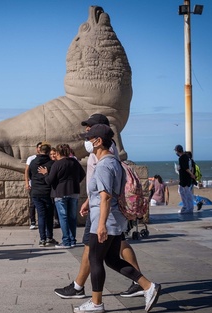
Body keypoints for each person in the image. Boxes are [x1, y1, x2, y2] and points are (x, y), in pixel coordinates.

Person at [54, 114, 144, 299]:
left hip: (103, 210)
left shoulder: (104, 153)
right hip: (100, 206)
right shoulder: (105, 150)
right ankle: (140, 282)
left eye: (90, 129)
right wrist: (88, 200)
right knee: (113, 249)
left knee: (93, 251)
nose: (87, 133)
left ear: (99, 135)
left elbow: (105, 188)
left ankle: (83, 290)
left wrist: (100, 220)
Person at [74, 124, 161, 313]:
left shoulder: (104, 164)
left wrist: (101, 225)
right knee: (112, 260)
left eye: (89, 139)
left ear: (98, 141)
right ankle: (148, 286)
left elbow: (106, 196)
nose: (86, 142)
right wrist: (89, 203)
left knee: (95, 259)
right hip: (114, 218)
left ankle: (96, 303)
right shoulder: (114, 161)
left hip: (105, 219)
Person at [40, 144, 85, 248]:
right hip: (74, 192)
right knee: (72, 217)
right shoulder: (75, 162)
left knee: (63, 218)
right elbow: (82, 174)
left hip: (60, 193)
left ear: (58, 153)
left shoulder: (57, 164)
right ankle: (72, 240)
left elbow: (49, 181)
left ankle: (66, 241)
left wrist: (45, 174)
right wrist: (74, 181)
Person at [28, 143, 57, 247]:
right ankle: (49, 237)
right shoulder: (52, 163)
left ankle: (42, 239)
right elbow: (53, 178)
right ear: (49, 151)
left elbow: (30, 175)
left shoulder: (33, 162)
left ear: (39, 151)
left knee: (41, 215)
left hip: (35, 192)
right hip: (47, 192)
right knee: (49, 215)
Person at [24, 142, 42, 230]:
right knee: (32, 204)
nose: (40, 148)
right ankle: (33, 222)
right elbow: (26, 171)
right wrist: (27, 183)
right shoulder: (31, 158)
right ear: (36, 148)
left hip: (44, 185)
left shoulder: (48, 158)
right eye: (39, 147)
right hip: (33, 184)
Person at [175, 145, 195, 214]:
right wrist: (191, 174)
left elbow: (186, 168)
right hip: (188, 178)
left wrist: (191, 174)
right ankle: (190, 207)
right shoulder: (188, 157)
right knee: (187, 193)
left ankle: (186, 207)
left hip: (184, 178)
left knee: (183, 192)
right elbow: (191, 167)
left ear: (177, 151)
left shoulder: (181, 158)